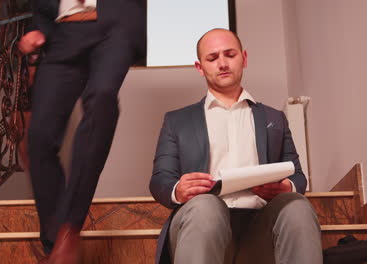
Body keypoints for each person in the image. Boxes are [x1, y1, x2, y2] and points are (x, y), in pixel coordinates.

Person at [149, 28, 323, 264]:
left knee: (297, 205)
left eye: (229, 54)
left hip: (261, 227)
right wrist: (178, 189)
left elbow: (298, 176)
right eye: (212, 58)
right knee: (205, 207)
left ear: (244, 58)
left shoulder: (275, 118)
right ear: (200, 67)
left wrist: (286, 187)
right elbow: (160, 180)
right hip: (201, 224)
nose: (222, 63)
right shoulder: (176, 121)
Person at [18, 0, 145, 263]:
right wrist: (35, 29)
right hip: (60, 34)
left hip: (115, 25)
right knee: (39, 137)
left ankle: (69, 231)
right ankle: (54, 241)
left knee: (101, 98)